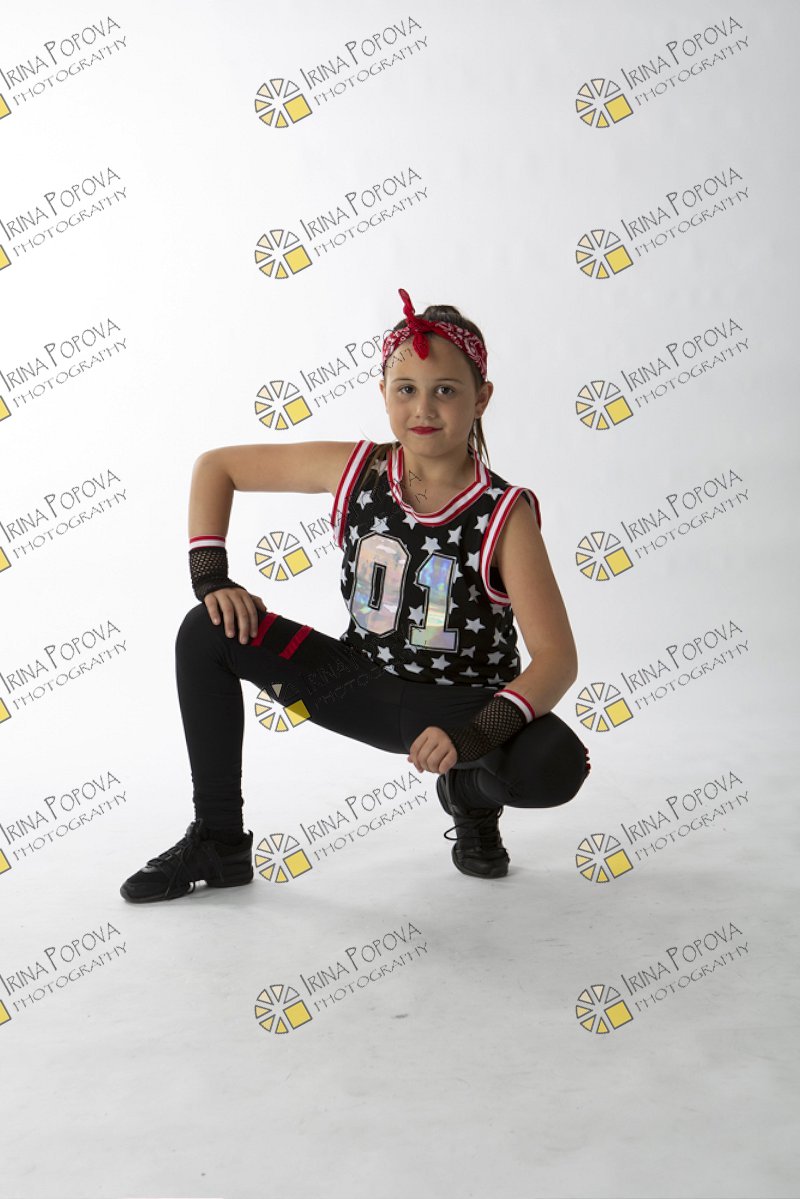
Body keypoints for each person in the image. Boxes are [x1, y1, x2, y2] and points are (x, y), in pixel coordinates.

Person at [120, 287, 591, 903]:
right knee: (206, 630)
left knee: (555, 763)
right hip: (356, 683)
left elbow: (557, 659)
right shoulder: (357, 469)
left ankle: (469, 792)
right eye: (407, 389)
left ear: (482, 398)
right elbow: (217, 467)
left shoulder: (505, 513)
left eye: (446, 390)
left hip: (459, 705)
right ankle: (219, 838)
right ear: (384, 394)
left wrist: (472, 739)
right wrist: (212, 577)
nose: (424, 408)